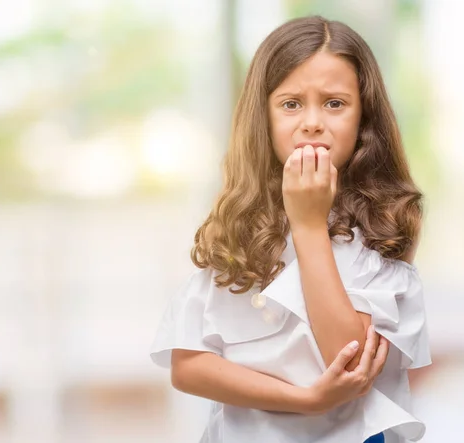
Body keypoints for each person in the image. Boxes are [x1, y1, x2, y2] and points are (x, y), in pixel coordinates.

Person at [150, 15, 431, 443]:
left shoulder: (381, 236)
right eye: (291, 103)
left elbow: (351, 360)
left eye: (334, 103)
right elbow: (188, 365)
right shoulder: (237, 232)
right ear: (263, 117)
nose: (312, 122)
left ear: (364, 119)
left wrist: (308, 224)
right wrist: (305, 399)